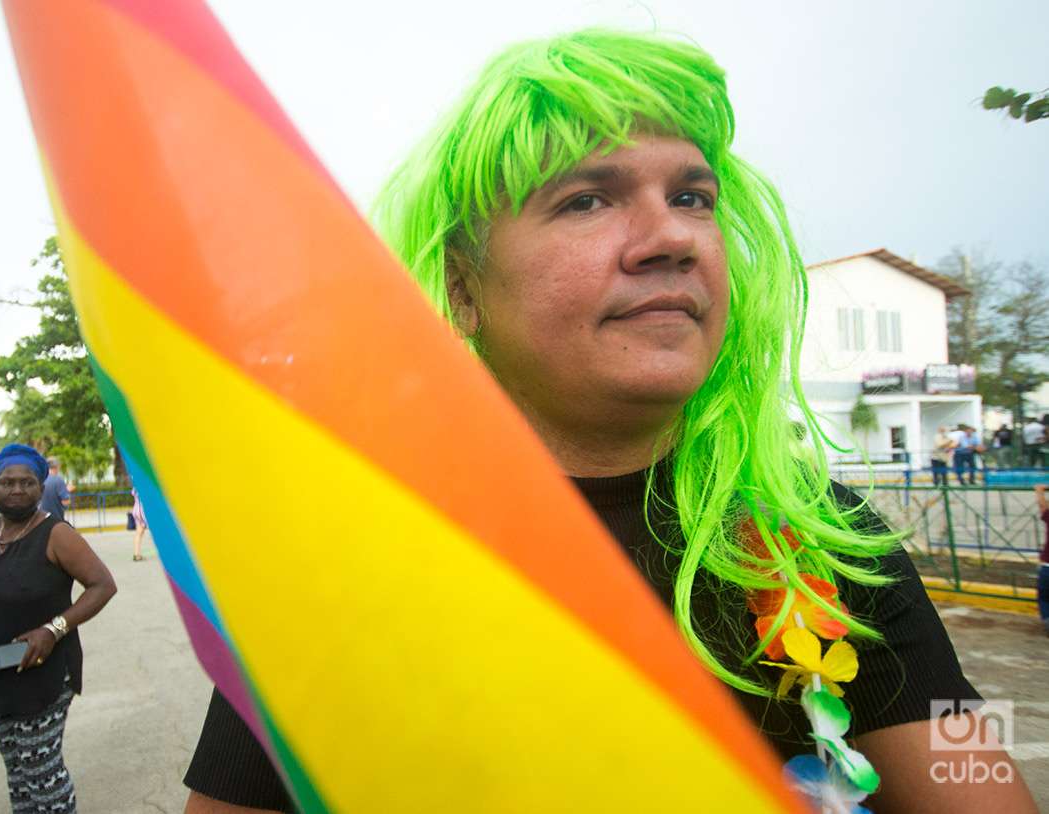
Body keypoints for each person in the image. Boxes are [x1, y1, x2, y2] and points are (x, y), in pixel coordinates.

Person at [181, 30, 1034, 814]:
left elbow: (973, 773)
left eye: (694, 196)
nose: (671, 238)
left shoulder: (828, 537)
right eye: (588, 200)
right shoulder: (345, 569)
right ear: (462, 288)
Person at [0, 444, 117, 813]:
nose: (16, 490)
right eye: (7, 482)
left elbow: (103, 585)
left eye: (27, 482)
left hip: (43, 672)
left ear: (40, 486)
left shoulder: (55, 534)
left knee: (41, 774)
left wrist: (53, 629)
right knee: (17, 774)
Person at [39, 457, 72, 522]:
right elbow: (66, 502)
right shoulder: (58, 480)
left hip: (41, 520)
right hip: (55, 521)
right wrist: (67, 491)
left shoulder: (40, 480)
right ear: (57, 467)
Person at [1036, 485, 1049, 636]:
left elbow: (1042, 505)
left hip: (1047, 567)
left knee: (1044, 597)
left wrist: (1040, 490)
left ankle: (1047, 619)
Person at [130, 487, 149, 562]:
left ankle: (136, 555)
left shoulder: (135, 487)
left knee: (139, 533)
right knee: (159, 531)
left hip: (135, 509)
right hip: (143, 510)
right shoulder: (143, 486)